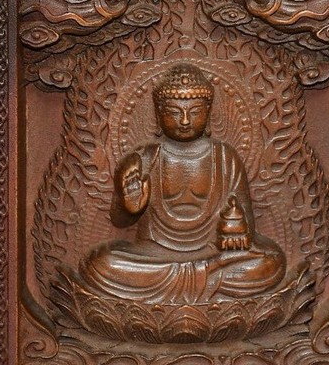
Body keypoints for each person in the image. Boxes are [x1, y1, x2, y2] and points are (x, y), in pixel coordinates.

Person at [80, 64, 285, 304]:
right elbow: (119, 220)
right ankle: (204, 283)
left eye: (195, 112)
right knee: (100, 263)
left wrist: (236, 229)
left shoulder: (226, 158)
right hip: (155, 257)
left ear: (208, 114)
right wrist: (129, 206)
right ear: (158, 115)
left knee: (270, 262)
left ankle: (192, 283)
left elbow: (247, 229)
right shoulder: (143, 159)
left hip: (212, 254)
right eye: (174, 112)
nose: (185, 120)